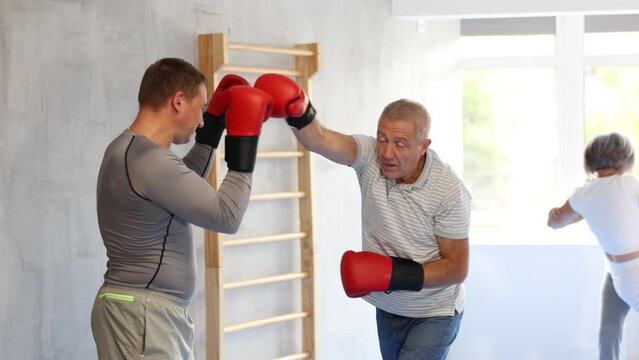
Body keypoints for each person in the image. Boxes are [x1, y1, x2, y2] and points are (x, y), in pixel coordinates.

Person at [254, 74, 472, 360]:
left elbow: (457, 268)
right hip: (389, 307)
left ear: (424, 145)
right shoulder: (369, 155)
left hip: (434, 312)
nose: (387, 152)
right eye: (382, 139)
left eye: (400, 144)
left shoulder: (449, 191)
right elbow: (319, 139)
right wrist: (299, 111)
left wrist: (392, 274)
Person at [91, 58, 273, 359]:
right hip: (143, 313)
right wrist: (245, 142)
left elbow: (179, 187)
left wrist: (213, 130)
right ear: (177, 101)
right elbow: (226, 216)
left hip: (138, 310)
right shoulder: (148, 160)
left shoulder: (132, 151)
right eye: (201, 110)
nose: (201, 121)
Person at [547, 132, 639, 360]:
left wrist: (565, 214)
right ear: (625, 157)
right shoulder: (628, 183)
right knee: (608, 333)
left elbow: (555, 222)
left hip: (619, 272)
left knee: (608, 334)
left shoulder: (584, 193)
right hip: (623, 272)